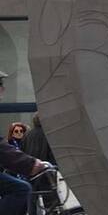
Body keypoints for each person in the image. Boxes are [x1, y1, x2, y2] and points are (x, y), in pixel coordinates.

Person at [0, 70, 47, 215]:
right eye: (0, 84)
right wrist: (31, 164)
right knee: (20, 189)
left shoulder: (29, 134)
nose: (3, 89)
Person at [21, 113, 58, 215]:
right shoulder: (48, 134)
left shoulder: (27, 135)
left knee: (32, 199)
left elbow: (22, 152)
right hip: (45, 171)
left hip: (30, 170)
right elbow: (52, 153)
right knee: (50, 201)